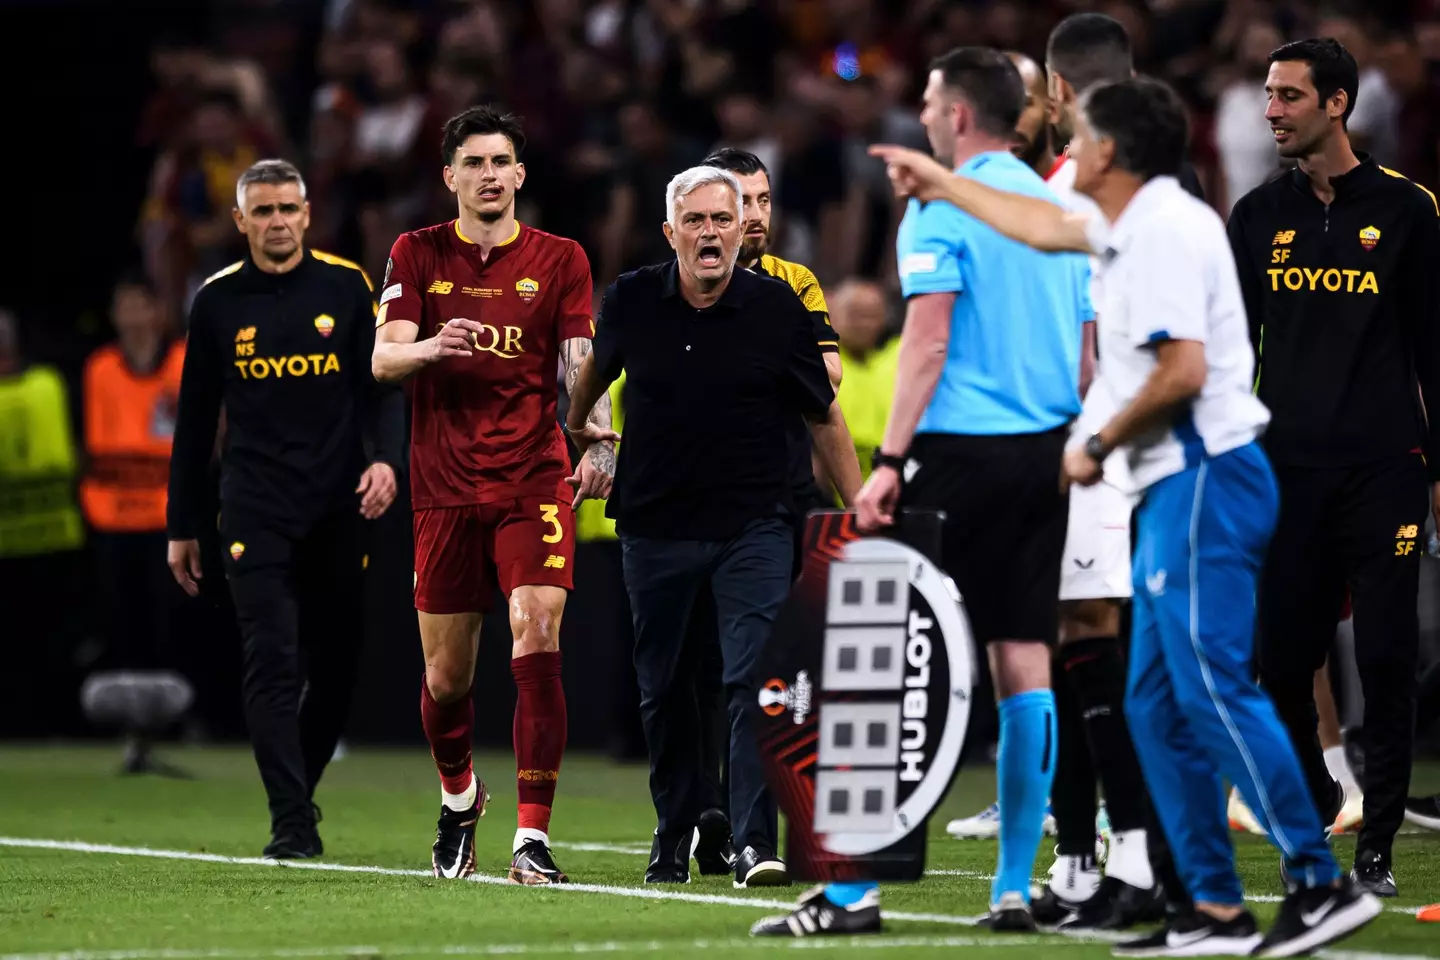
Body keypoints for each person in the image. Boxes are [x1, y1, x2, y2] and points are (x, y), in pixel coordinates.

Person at [869, 73, 1383, 958]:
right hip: (1173, 485)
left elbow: (1182, 370)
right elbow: (1036, 226)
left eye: (1083, 132)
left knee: (1211, 682)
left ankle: (1318, 879)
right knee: (1150, 702)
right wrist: (943, 182)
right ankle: (1214, 909)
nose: (1069, 140)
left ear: (1109, 149)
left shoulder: (1168, 233)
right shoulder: (1124, 221)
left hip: (1203, 475)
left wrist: (1096, 445)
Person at [758, 47, 1094, 938]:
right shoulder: (1065, 207)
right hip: (1047, 455)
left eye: (932, 96)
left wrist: (891, 461)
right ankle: (1016, 887)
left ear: (958, 116)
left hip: (954, 454)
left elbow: (929, 344)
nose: (924, 106)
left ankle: (852, 893)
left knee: (877, 658)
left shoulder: (936, 205)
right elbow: (1090, 355)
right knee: (1024, 659)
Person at [563, 165, 834, 890]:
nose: (712, 232)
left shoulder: (777, 308)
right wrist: (590, 437)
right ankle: (674, 826)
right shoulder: (631, 301)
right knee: (665, 687)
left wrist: (863, 501)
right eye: (697, 221)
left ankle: (753, 841)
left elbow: (822, 413)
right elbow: (586, 384)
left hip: (754, 520)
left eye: (724, 219)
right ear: (670, 233)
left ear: (743, 227)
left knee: (753, 677)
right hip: (656, 522)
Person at [371, 106, 610, 884]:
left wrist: (598, 437)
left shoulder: (561, 257)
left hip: (531, 476)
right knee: (447, 680)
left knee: (536, 627)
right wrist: (433, 345)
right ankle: (460, 797)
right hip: (442, 488)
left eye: (501, 161)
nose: (489, 174)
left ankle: (531, 840)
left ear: (520, 174)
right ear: (450, 176)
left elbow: (580, 360)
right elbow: (381, 359)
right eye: (473, 162)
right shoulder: (415, 253)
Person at [1226, 37, 1440, 900]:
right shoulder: (1255, 216)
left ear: (1338, 104)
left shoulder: (1410, 212)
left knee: (1386, 658)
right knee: (1278, 663)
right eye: (1269, 96)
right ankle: (1319, 797)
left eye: (1287, 96)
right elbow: (1235, 352)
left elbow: (1436, 353)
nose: (1270, 111)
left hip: (1386, 470)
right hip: (1286, 475)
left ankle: (1378, 846)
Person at [167, 158, 405, 858]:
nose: (278, 222)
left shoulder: (345, 285)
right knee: (270, 659)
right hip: (253, 507)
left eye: (289, 209)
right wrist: (181, 522)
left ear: (308, 214)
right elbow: (193, 421)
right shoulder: (216, 303)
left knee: (335, 668)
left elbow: (383, 389)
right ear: (240, 221)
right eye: (263, 212)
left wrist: (387, 460)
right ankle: (290, 823)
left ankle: (298, 797)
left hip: (337, 504)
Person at [677, 147, 863, 876]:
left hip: (778, 498)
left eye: (759, 202)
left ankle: (754, 823)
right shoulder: (680, 281)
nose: (751, 216)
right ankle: (708, 809)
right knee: (693, 673)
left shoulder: (794, 283)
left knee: (763, 668)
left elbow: (828, 375)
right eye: (736, 203)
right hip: (689, 500)